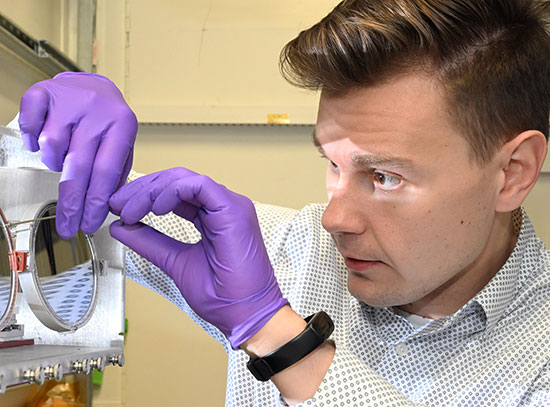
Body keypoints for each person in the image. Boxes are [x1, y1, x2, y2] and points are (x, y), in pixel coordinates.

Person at [16, 0, 550, 405]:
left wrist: (275, 332)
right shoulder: (284, 254)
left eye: (384, 177)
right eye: (333, 164)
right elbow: (73, 202)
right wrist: (50, 135)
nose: (334, 220)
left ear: (513, 173)